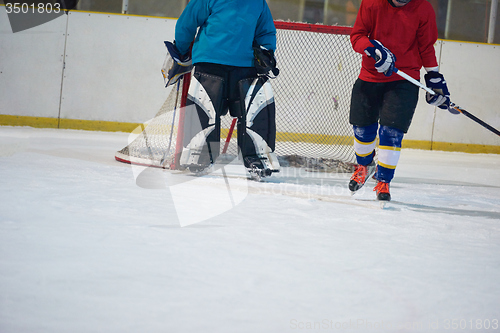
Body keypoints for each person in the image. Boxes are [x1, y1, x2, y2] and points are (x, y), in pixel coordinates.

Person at [348, 0, 453, 201]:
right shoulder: (371, 3)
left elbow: (426, 46)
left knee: (392, 133)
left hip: (404, 79)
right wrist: (372, 49)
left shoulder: (423, 8)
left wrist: (434, 77)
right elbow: (357, 37)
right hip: (369, 77)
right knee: (362, 130)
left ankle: (384, 181)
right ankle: (364, 166)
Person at [165, 0, 280, 179]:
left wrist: (266, 52)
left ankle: (256, 157)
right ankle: (200, 153)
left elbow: (265, 31)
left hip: (243, 67)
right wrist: (180, 49)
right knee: (205, 106)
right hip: (211, 63)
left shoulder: (258, 3)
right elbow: (187, 22)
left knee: (251, 111)